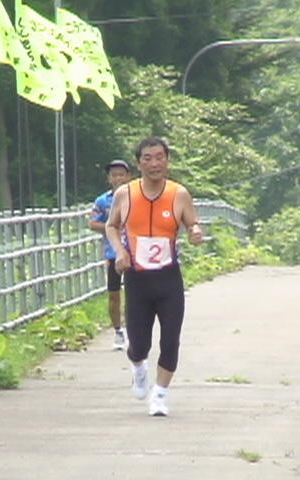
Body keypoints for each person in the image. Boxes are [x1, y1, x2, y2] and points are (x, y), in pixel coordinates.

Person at [105, 136, 203, 416]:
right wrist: (120, 252)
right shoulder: (125, 194)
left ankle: (159, 395)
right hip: (137, 278)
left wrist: (195, 232)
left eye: (160, 157)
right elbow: (111, 226)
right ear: (139, 164)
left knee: (170, 340)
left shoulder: (178, 194)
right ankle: (138, 367)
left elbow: (192, 223)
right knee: (139, 345)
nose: (154, 164)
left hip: (168, 278)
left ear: (167, 161)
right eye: (147, 159)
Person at [89, 159, 132, 350]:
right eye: (114, 175)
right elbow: (92, 223)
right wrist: (111, 227)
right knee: (114, 294)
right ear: (109, 179)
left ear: (128, 176)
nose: (118, 178)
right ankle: (118, 331)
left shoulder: (137, 197)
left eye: (121, 174)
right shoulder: (102, 201)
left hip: (134, 252)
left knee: (134, 294)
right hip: (112, 252)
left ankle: (133, 329)